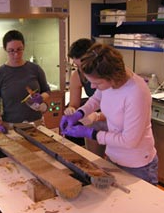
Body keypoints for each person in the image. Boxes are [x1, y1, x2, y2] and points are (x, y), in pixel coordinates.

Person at [60, 43, 158, 185]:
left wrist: (91, 133)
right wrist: (79, 113)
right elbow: (96, 99)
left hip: (137, 165)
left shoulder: (136, 93)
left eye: (97, 83)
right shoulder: (111, 80)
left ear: (111, 77)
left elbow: (129, 141)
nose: (93, 86)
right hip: (113, 157)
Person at [0, 30, 50, 133]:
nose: (16, 54)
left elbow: (46, 91)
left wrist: (41, 97)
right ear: (5, 49)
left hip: (37, 124)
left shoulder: (35, 69)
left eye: (19, 49)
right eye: (11, 51)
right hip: (11, 126)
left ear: (24, 47)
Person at [65, 38, 106, 157]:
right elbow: (94, 99)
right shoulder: (77, 75)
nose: (82, 71)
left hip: (113, 121)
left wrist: (97, 116)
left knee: (114, 160)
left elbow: (117, 112)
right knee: (94, 158)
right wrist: (73, 111)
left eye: (83, 65)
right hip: (94, 120)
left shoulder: (108, 76)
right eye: (77, 66)